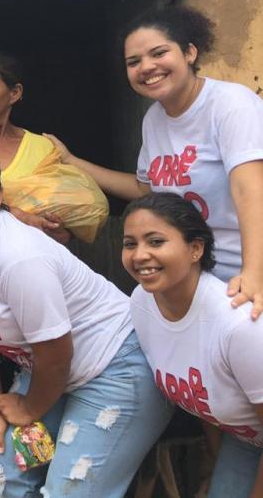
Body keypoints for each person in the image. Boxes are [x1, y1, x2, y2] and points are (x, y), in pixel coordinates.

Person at [0, 142, 172, 497]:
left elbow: (56, 355)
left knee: (68, 490)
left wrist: (27, 409)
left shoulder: (18, 258)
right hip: (50, 376)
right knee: (1, 460)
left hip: (115, 369)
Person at [48, 6, 263, 317]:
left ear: (190, 52)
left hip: (243, 278)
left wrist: (254, 273)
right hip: (196, 279)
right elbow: (145, 189)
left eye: (158, 53)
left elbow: (251, 190)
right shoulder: (154, 119)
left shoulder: (230, 104)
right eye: (133, 62)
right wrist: (71, 160)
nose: (146, 67)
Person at [124, 191, 263, 497]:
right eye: (130, 243)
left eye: (156, 241)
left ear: (195, 249)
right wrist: (212, 465)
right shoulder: (142, 304)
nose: (139, 255)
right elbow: (207, 401)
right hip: (246, 440)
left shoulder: (237, 325)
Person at [0, 53, 107, 244]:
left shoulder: (43, 148)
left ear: (15, 93)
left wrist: (59, 231)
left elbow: (74, 210)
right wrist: (18, 215)